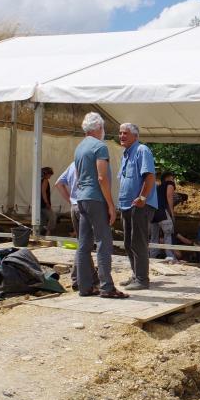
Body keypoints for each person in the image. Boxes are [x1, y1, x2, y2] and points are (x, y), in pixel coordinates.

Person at [74, 112, 125, 299]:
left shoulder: (79, 148)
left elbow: (78, 176)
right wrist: (111, 204)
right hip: (96, 198)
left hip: (82, 198)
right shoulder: (99, 147)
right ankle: (107, 287)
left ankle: (84, 286)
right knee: (104, 242)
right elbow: (102, 177)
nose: (103, 131)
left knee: (84, 243)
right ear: (98, 128)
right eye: (103, 127)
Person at [117, 122, 157, 291]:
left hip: (141, 205)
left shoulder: (142, 150)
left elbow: (149, 177)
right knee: (128, 243)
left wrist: (141, 198)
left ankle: (142, 279)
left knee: (138, 242)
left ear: (135, 135)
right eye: (120, 133)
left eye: (125, 133)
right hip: (126, 205)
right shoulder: (126, 154)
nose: (121, 136)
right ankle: (136, 275)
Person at [150, 170, 178, 260]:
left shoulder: (158, 187)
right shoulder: (170, 184)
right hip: (162, 212)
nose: (173, 180)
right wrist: (172, 214)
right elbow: (169, 197)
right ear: (168, 178)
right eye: (173, 178)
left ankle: (153, 256)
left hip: (153, 212)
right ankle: (170, 256)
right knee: (168, 233)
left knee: (154, 236)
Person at [54, 162, 79, 236]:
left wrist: (71, 200)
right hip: (90, 205)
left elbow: (58, 184)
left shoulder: (73, 164)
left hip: (75, 206)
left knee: (82, 239)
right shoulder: (94, 162)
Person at [40, 167, 57, 236]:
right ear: (46, 174)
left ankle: (41, 235)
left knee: (42, 220)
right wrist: (47, 203)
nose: (50, 176)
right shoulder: (45, 180)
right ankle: (48, 232)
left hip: (40, 204)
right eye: (50, 174)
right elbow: (43, 192)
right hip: (44, 204)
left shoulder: (40, 180)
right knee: (53, 217)